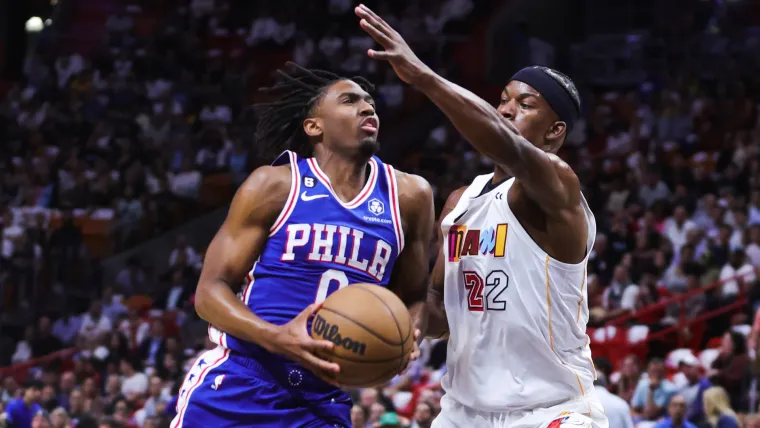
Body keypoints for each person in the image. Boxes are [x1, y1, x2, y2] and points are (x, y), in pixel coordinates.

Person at [354, 4, 607, 427]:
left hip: (552, 411)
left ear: (555, 131)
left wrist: (424, 78)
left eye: (524, 105)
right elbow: (439, 305)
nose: (506, 111)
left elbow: (508, 146)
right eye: (502, 101)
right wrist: (407, 328)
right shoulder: (459, 201)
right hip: (463, 412)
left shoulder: (557, 186)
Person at [171, 63, 435, 427]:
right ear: (314, 126)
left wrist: (408, 338)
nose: (367, 107)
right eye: (349, 100)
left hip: (322, 401)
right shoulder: (275, 185)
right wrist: (278, 337)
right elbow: (208, 293)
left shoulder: (409, 196)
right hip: (242, 382)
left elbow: (416, 295)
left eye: (370, 102)